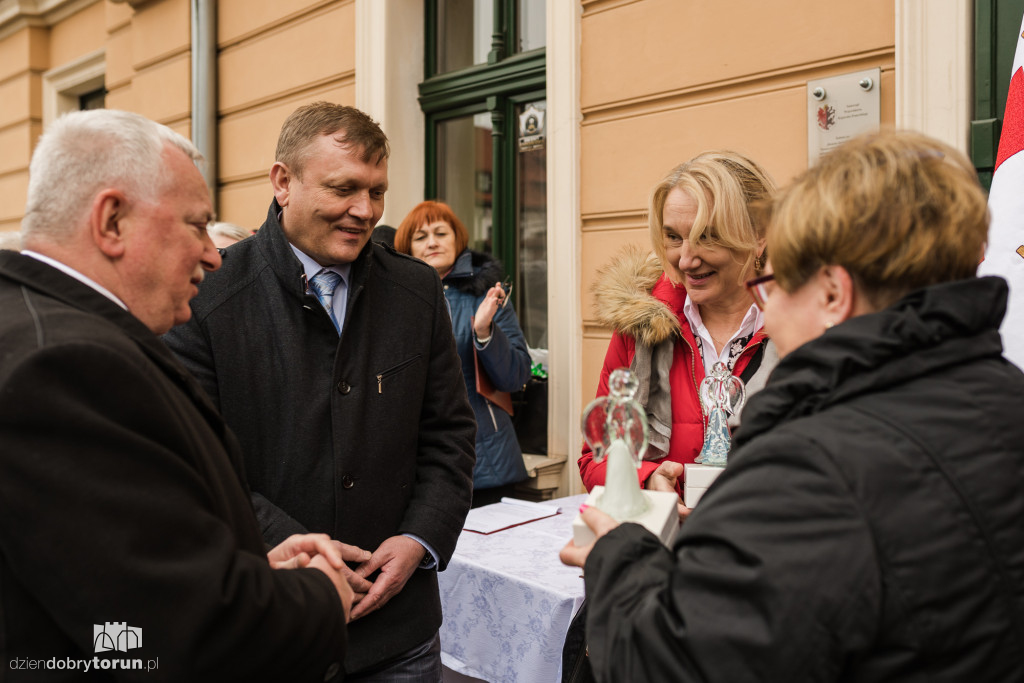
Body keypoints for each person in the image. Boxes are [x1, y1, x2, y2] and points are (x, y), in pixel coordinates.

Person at [561, 130, 1024, 681]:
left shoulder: (816, 463)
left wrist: (619, 555)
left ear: (833, 294)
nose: (768, 307)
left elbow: (681, 662)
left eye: (776, 283)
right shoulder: (1003, 397)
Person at [0, 109, 363, 681]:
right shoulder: (63, 366)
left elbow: (114, 577)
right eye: (196, 226)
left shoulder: (41, 328)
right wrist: (315, 595)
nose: (213, 254)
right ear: (112, 221)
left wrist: (247, 565)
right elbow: (162, 633)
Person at [163, 102, 476, 680]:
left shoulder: (416, 291)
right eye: (343, 188)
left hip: (399, 633)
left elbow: (449, 434)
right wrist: (305, 551)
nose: (365, 211)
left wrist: (419, 538)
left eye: (378, 192)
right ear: (284, 182)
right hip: (268, 632)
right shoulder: (204, 299)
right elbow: (197, 470)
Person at [578, 151, 778, 497]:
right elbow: (595, 458)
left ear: (758, 235)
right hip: (666, 541)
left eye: (707, 236)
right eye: (673, 237)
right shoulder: (640, 325)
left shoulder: (805, 326)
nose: (685, 259)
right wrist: (647, 479)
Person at [396, 200, 531, 506]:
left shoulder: (487, 296)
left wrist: (485, 333)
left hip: (487, 461)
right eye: (420, 237)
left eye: (441, 233)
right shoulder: (395, 301)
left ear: (457, 239)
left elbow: (516, 376)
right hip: (418, 464)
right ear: (408, 248)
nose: (432, 242)